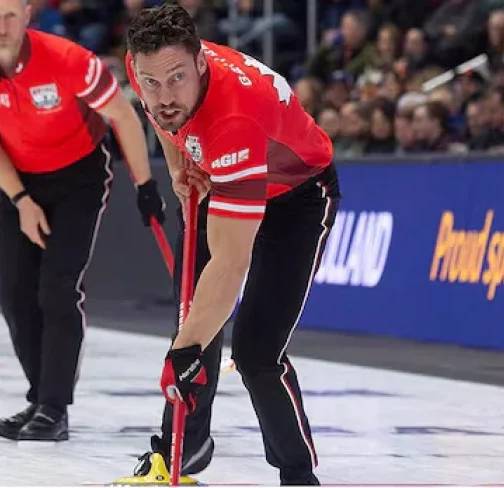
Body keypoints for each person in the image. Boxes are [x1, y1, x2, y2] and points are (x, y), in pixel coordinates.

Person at [114, 4, 340, 485]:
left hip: (296, 195)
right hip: (219, 176)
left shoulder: (233, 118)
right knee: (191, 323)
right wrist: (178, 166)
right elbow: (167, 119)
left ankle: (298, 475)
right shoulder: (148, 69)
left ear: (200, 65)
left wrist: (185, 349)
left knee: (256, 351)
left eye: (176, 78)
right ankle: (182, 452)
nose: (163, 94)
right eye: (151, 83)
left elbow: (231, 262)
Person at [0, 0, 165, 442]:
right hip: (19, 180)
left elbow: (122, 115)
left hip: (78, 177)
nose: (2, 26)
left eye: (10, 14)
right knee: (13, 295)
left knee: (59, 290)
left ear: (28, 13)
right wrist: (21, 198)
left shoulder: (70, 60)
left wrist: (146, 184)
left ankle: (54, 406)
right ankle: (38, 397)